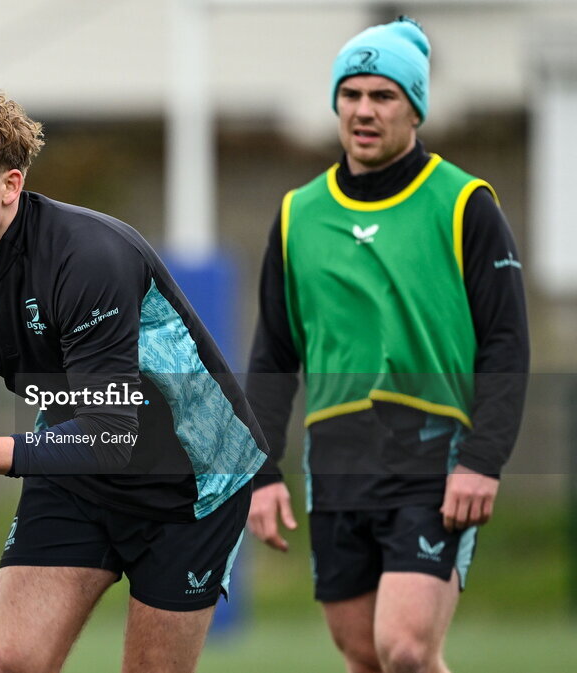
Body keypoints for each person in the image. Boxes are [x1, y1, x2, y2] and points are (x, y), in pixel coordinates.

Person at [0, 82, 267, 673]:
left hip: (189, 485)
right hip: (77, 472)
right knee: (12, 664)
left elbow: (111, 433)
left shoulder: (86, 258)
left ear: (10, 186)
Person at [245, 16, 529, 673]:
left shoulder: (464, 204)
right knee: (363, 652)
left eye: (384, 95)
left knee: (405, 647)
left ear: (415, 108)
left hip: (433, 447)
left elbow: (507, 343)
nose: (364, 110)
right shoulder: (297, 214)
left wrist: (483, 458)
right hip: (336, 452)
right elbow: (273, 358)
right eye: (352, 94)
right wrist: (261, 472)